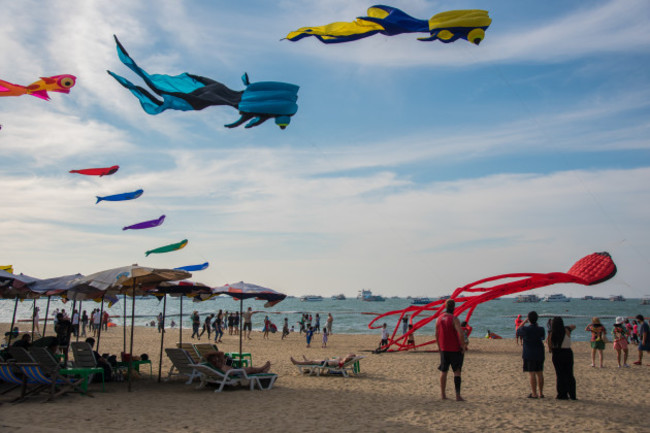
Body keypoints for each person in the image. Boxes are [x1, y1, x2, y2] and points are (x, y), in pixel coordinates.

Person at [435, 299, 467, 401]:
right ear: (453, 307)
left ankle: (443, 394)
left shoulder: (438, 319)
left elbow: (436, 334)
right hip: (454, 349)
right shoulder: (454, 319)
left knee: (444, 371)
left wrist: (439, 347)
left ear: (445, 307)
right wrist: (462, 346)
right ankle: (457, 395)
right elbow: (461, 333)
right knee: (457, 371)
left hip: (444, 349)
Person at [516, 311, 545, 398]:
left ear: (529, 319)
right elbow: (542, 337)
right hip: (539, 352)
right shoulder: (541, 329)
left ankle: (534, 393)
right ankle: (540, 393)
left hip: (529, 353)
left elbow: (518, 330)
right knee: (540, 373)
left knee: (532, 373)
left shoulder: (526, 329)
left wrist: (524, 321)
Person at [547, 316, 577, 400]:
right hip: (567, 353)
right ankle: (572, 394)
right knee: (569, 374)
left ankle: (562, 394)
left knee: (560, 375)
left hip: (556, 353)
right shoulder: (567, 330)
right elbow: (574, 326)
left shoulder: (551, 333)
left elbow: (549, 346)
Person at [206, 351, 271, 374]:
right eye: (222, 358)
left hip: (235, 369)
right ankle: (263, 368)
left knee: (249, 369)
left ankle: (263, 370)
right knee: (251, 369)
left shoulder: (215, 365)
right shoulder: (221, 366)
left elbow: (222, 354)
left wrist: (224, 361)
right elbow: (230, 373)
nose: (224, 359)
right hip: (236, 372)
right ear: (215, 360)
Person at [290, 353, 356, 367]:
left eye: (348, 355)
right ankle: (306, 360)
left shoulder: (342, 361)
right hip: (326, 362)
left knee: (312, 362)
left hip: (326, 363)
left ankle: (297, 362)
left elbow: (335, 363)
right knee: (313, 360)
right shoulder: (343, 360)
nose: (347, 354)